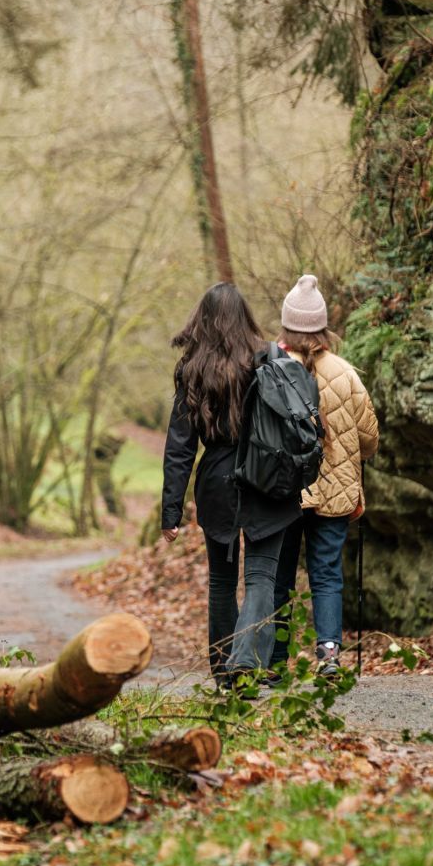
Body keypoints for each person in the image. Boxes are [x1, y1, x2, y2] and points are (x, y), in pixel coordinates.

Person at [161, 283, 301, 686]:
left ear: (202, 318)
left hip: (217, 483)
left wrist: (171, 511)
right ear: (245, 316)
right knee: (262, 577)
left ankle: (226, 672)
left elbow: (180, 447)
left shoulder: (192, 368)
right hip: (269, 479)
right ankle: (245, 663)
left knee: (221, 583)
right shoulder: (270, 357)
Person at [269, 275, 379, 678]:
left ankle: (275, 661)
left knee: (279, 574)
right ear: (322, 327)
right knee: (327, 572)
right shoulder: (346, 373)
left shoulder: (271, 371)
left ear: (286, 326)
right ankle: (329, 654)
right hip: (336, 490)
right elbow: (369, 437)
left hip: (283, 491)